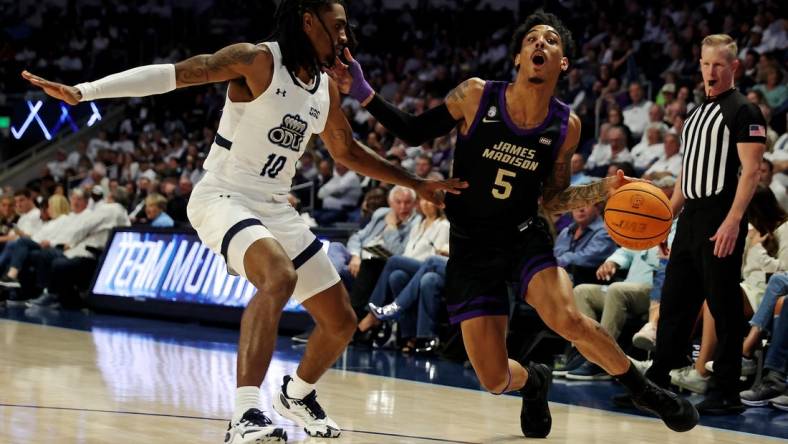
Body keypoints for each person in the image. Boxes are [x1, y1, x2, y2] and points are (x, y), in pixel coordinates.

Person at [22, 1, 465, 442]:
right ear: (308, 22)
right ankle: (245, 413)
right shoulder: (256, 60)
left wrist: (415, 181)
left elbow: (346, 151)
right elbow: (175, 74)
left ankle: (298, 394)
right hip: (223, 196)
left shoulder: (324, 89)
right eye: (338, 27)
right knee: (278, 276)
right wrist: (85, 92)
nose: (346, 37)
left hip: (275, 206)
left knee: (341, 322)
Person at [334, 9, 698, 437]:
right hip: (470, 248)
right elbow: (415, 132)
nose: (539, 44)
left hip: (525, 237)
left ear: (562, 62)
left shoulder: (566, 126)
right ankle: (534, 380)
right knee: (493, 379)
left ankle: (643, 389)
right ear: (518, 58)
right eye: (531, 40)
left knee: (567, 318)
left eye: (550, 41)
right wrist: (361, 90)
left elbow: (552, 198)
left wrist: (604, 189)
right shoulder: (476, 95)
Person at [645, 34, 767, 415]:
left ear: (734, 68)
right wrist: (666, 220)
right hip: (691, 218)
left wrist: (734, 221)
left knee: (724, 305)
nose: (710, 71)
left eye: (719, 64)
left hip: (721, 217)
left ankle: (726, 390)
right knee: (675, 303)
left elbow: (751, 172)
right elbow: (687, 174)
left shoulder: (745, 111)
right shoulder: (697, 114)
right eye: (705, 63)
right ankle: (658, 383)